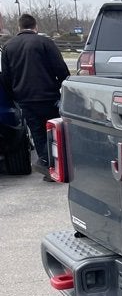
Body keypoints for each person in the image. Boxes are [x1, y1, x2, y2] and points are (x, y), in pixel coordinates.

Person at [0, 13, 70, 181]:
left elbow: (6, 77)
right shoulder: (45, 43)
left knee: (37, 133)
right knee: (54, 132)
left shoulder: (8, 47)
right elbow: (60, 68)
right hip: (48, 96)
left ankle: (47, 166)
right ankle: (57, 165)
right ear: (35, 26)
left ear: (19, 27)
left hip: (24, 98)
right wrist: (63, 86)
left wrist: (14, 96)